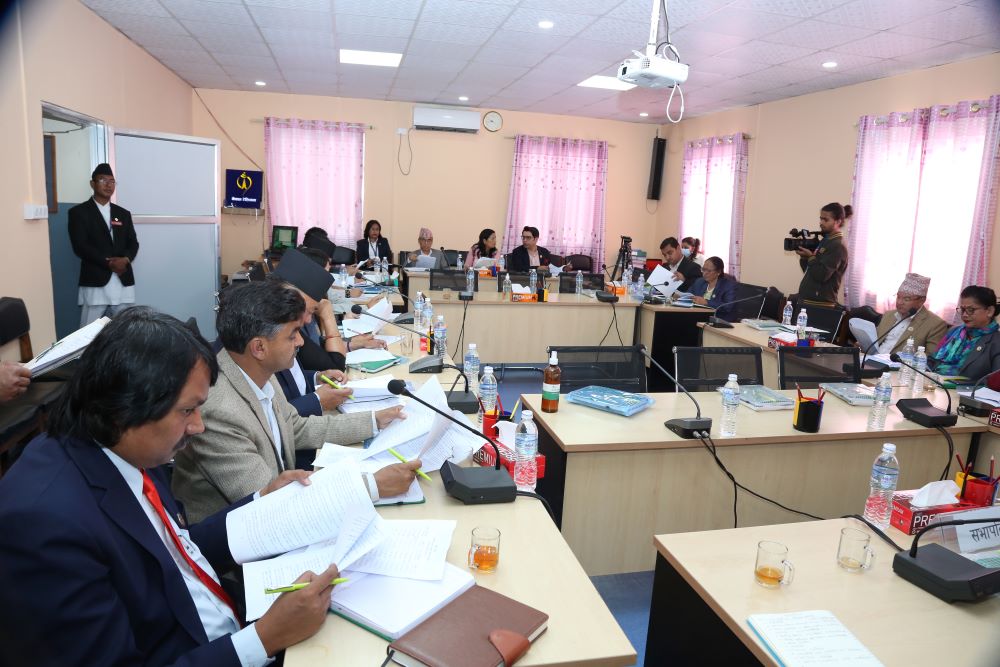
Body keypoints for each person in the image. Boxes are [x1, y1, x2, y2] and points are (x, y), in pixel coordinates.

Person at [0, 307, 338, 666]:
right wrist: (266, 638)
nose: (198, 427)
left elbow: (174, 548)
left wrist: (262, 500)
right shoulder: (43, 524)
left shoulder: (123, 446)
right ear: (126, 407)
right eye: (187, 411)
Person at [171, 280, 416, 523]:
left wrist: (374, 421)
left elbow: (295, 427)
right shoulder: (218, 410)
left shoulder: (256, 371)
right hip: (246, 536)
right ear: (259, 347)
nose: (300, 342)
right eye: (292, 335)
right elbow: (272, 502)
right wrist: (372, 486)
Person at [68, 163, 140, 326]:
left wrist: (125, 259)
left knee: (127, 328)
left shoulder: (123, 214)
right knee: (89, 330)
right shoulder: (79, 212)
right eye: (103, 180)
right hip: (96, 277)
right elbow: (80, 246)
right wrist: (109, 263)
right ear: (92, 184)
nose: (108, 185)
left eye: (112, 181)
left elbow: (133, 242)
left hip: (122, 277)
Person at [930, 285, 1000, 382]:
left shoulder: (996, 342)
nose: (964, 315)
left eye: (971, 310)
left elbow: (995, 383)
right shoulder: (953, 331)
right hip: (933, 384)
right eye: (963, 310)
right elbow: (932, 361)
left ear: (989, 311)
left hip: (966, 390)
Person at [874, 273, 949, 356]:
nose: (899, 302)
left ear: (922, 300)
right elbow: (873, 342)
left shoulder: (935, 324)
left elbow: (931, 357)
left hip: (897, 363)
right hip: (871, 358)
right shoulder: (889, 315)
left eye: (906, 299)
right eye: (898, 297)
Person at [795, 203, 850, 307]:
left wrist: (811, 257)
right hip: (809, 301)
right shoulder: (826, 240)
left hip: (821, 305)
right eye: (821, 219)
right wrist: (805, 257)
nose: (821, 223)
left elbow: (822, 275)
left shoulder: (838, 245)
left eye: (826, 220)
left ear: (838, 221)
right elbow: (810, 271)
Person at [688, 256, 739, 321]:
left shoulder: (729, 286)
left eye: (709, 271)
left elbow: (727, 307)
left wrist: (706, 302)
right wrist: (679, 296)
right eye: (703, 269)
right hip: (698, 316)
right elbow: (689, 294)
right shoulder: (699, 281)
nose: (705, 273)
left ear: (718, 272)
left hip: (719, 320)